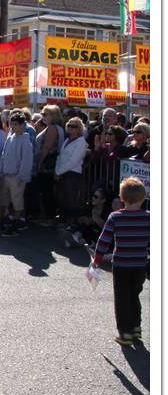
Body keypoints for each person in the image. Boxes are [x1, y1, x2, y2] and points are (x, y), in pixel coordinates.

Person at [91, 177, 149, 346]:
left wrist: (97, 259)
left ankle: (125, 333)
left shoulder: (115, 217)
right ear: (143, 198)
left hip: (122, 265)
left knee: (122, 299)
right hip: (140, 265)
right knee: (134, 296)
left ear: (122, 198)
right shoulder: (149, 218)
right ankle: (136, 328)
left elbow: (104, 240)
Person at [0, 113, 33, 237]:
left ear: (22, 125)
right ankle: (4, 221)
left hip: (16, 177)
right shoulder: (10, 138)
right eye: (11, 124)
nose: (13, 126)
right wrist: (0, 171)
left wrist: (21, 176)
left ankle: (16, 224)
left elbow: (26, 161)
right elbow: (3, 156)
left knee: (17, 201)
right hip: (6, 175)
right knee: (4, 200)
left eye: (16, 124)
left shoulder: (25, 141)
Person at [55, 117, 88, 227]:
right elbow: (60, 156)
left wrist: (59, 171)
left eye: (73, 126)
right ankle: (64, 220)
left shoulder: (81, 142)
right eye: (69, 125)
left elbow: (74, 160)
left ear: (79, 128)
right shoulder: (67, 140)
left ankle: (72, 223)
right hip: (63, 173)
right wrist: (57, 171)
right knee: (62, 198)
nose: (70, 128)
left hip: (73, 173)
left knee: (71, 199)